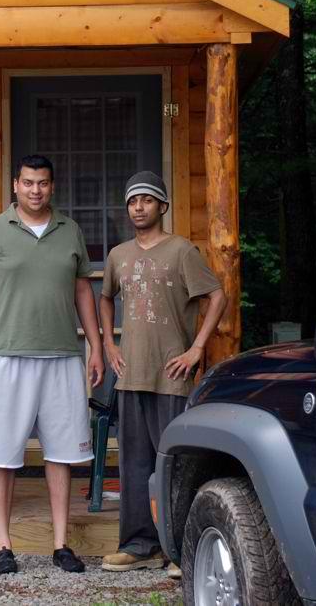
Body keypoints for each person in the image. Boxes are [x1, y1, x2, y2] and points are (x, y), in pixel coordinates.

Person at [0, 155, 105, 576]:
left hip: (62, 355)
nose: (35, 190)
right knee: (3, 454)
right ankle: (3, 544)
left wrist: (95, 346)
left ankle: (61, 544)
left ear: (52, 187)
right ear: (15, 186)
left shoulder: (70, 231)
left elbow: (84, 292)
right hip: (7, 356)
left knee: (61, 453)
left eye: (42, 183)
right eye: (28, 183)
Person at [99, 171, 227, 577]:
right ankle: (139, 546)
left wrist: (196, 348)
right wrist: (108, 343)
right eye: (133, 201)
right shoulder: (119, 255)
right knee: (134, 465)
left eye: (147, 200)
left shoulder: (182, 250)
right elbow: (104, 298)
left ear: (162, 206)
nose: (139, 207)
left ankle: (178, 550)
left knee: (173, 464)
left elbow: (217, 295)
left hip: (171, 374)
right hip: (131, 374)